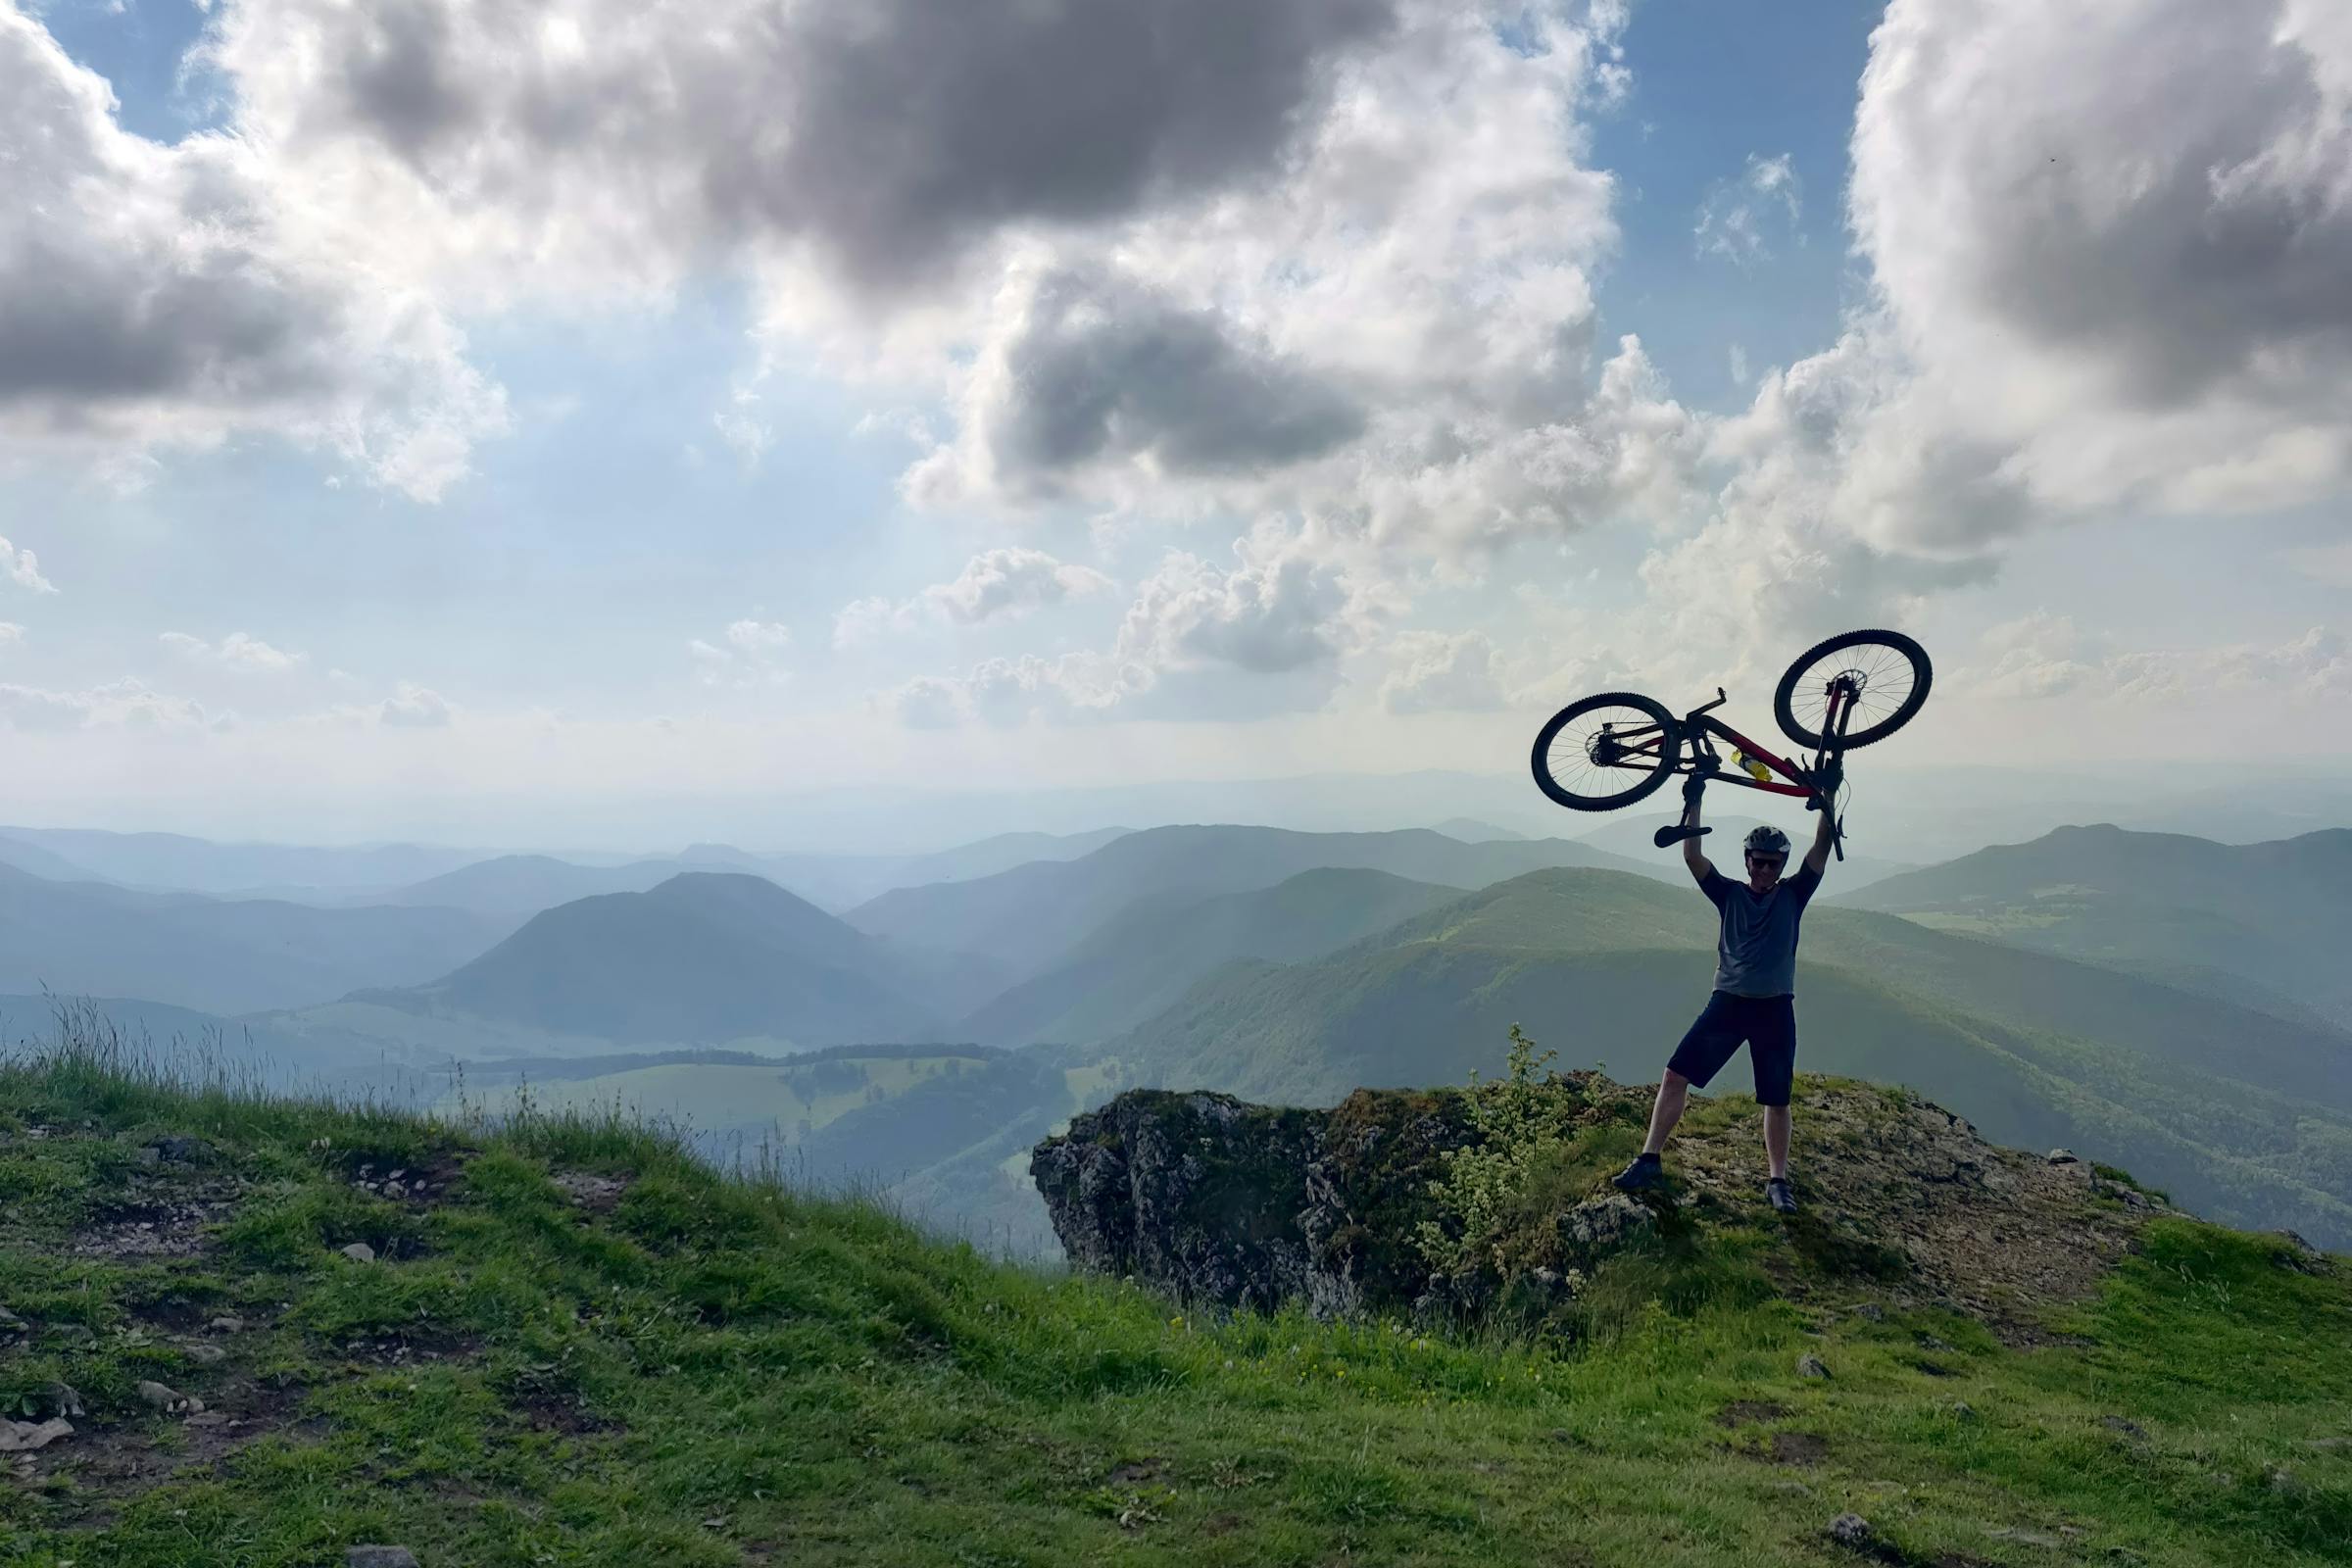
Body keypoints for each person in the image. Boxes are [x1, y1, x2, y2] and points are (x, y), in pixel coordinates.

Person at [1611, 765, 1835, 1213]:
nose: (1765, 867)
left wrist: (1828, 795)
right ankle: (1649, 1157)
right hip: (1728, 1004)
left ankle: (1777, 1181)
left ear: (1781, 865)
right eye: (1758, 859)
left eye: (1773, 862)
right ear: (1748, 859)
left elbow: (1822, 848)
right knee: (1675, 1075)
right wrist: (1695, 799)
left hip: (1773, 1008)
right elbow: (1693, 857)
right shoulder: (1729, 894)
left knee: (1777, 1097)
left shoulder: (1795, 894)